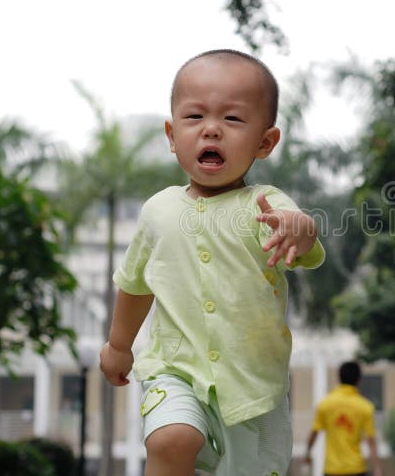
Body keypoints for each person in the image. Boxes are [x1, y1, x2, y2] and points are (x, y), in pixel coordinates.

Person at [99, 49, 325, 476]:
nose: (211, 130)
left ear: (265, 142)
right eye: (194, 117)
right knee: (172, 437)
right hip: (174, 371)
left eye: (233, 119)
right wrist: (119, 345)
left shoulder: (265, 204)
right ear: (171, 134)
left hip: (252, 388)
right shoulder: (158, 211)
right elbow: (135, 284)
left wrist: (299, 228)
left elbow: (303, 234)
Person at [304, 361, 382, 476]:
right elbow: (371, 440)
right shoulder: (365, 406)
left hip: (332, 469)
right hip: (356, 469)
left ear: (339, 377)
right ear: (359, 379)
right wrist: (377, 468)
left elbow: (314, 433)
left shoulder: (325, 404)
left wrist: (307, 454)